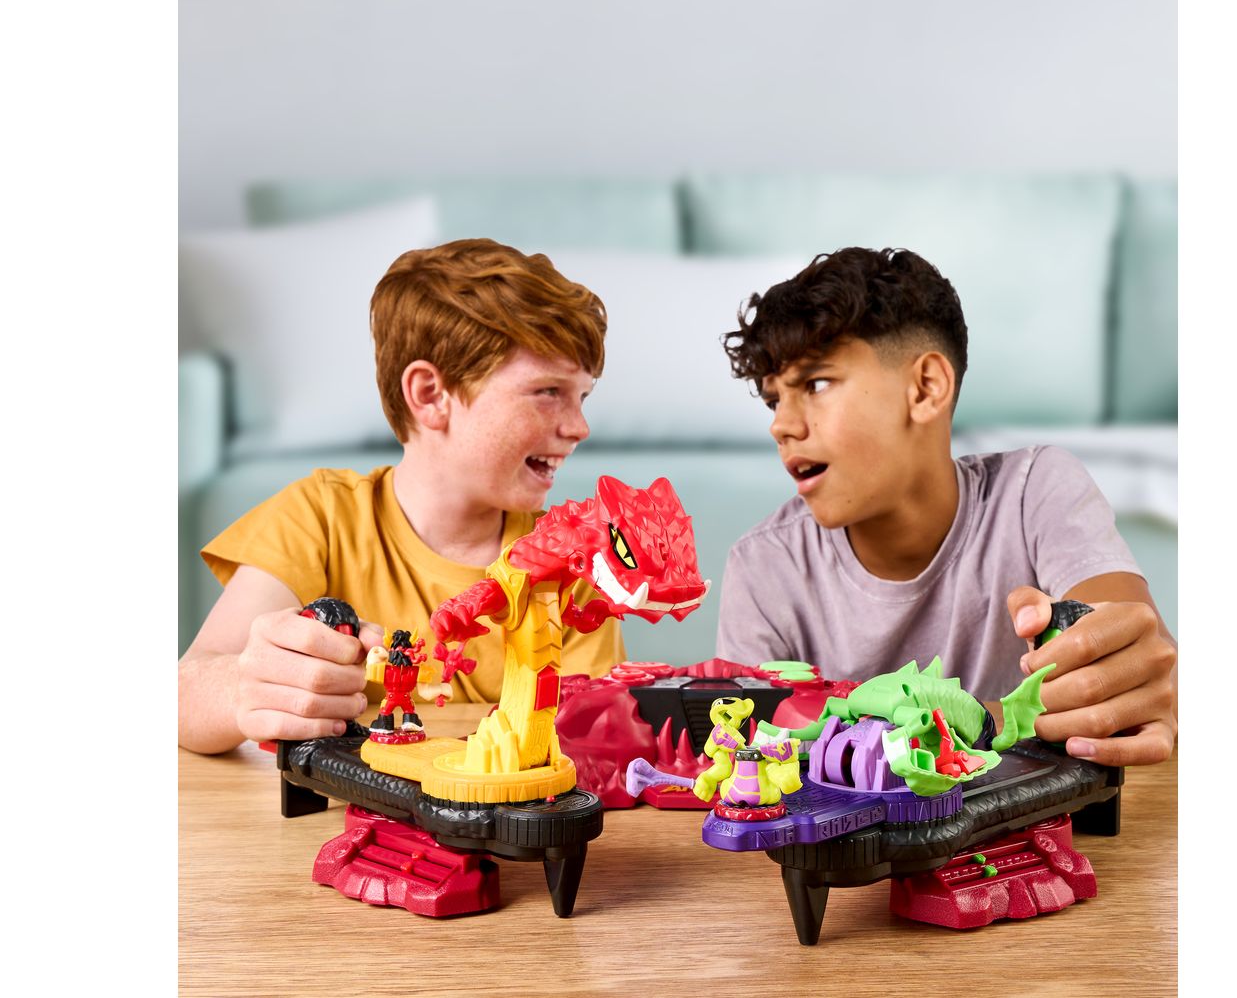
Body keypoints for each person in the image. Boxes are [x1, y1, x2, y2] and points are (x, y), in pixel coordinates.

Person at [714, 247, 1176, 766]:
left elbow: (1135, 652)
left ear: (925, 388)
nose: (781, 425)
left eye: (816, 384)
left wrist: (1130, 672)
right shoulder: (762, 565)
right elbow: (744, 759)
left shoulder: (1035, 489)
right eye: (774, 399)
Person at [178, 238, 625, 754]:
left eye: (582, 396)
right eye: (548, 392)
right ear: (431, 395)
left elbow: (590, 742)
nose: (579, 427)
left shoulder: (571, 564)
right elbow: (183, 693)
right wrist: (245, 687)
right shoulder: (318, 519)